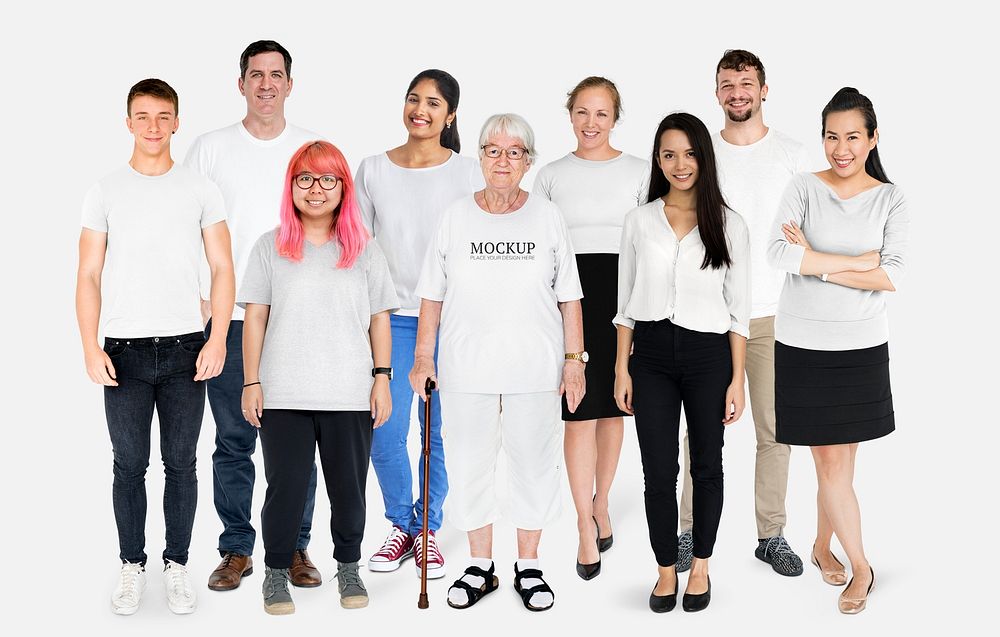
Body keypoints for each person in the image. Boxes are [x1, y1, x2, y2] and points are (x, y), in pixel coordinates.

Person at [410, 113, 585, 612]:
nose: (503, 160)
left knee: (533, 464)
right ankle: (480, 565)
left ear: (529, 161)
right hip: (466, 368)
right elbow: (431, 295)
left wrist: (574, 359)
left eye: (514, 152)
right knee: (468, 465)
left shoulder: (547, 215)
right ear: (480, 156)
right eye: (493, 150)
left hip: (536, 367)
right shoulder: (455, 216)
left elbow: (569, 296)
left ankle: (528, 565)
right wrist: (424, 356)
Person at [76, 78, 235, 615]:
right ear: (127, 122)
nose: (153, 127)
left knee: (182, 464)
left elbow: (221, 267)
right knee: (128, 464)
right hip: (123, 349)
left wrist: (216, 339)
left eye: (163, 116)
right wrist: (89, 345)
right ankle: (131, 564)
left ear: (176, 122)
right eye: (142, 116)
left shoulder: (199, 188)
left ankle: (176, 565)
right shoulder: (105, 190)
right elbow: (88, 274)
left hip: (187, 348)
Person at [185, 40, 324, 590]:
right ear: (239, 83)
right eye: (256, 74)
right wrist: (202, 299)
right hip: (232, 319)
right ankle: (237, 549)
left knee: (296, 444)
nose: (266, 84)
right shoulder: (210, 149)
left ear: (291, 84)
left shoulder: (311, 148)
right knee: (234, 440)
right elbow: (185, 224)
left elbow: (333, 229)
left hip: (298, 321)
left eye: (276, 75)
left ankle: (295, 548)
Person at [239, 141, 399, 614]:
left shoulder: (363, 248)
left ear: (343, 188)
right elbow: (254, 319)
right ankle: (274, 573)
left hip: (348, 392)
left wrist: (382, 377)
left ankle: (348, 568)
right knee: (285, 487)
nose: (316, 189)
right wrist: (251, 381)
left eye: (328, 179)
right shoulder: (270, 246)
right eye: (305, 178)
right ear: (291, 186)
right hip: (284, 392)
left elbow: (380, 319)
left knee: (347, 490)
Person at [767, 87, 907, 614]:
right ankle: (863, 568)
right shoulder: (803, 186)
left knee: (840, 464)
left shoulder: (890, 198)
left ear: (872, 139)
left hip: (860, 348)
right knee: (829, 461)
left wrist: (817, 260)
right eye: (831, 136)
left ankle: (823, 545)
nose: (840, 148)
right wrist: (855, 262)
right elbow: (778, 252)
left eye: (852, 136)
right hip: (802, 345)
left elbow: (892, 274)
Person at [677, 49, 811, 576]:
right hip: (711, 315)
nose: (738, 93)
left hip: (777, 314)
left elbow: (812, 228)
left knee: (774, 431)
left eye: (747, 83)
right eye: (728, 84)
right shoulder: (701, 153)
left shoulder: (794, 155)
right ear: (716, 93)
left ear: (764, 89)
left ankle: (771, 534)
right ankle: (688, 530)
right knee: (702, 429)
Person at [614, 112, 750, 613]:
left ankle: (703, 568)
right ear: (657, 159)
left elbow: (739, 312)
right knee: (657, 470)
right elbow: (625, 304)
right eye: (669, 154)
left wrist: (737, 380)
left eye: (690, 153)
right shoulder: (639, 221)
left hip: (709, 356)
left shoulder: (729, 224)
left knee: (707, 466)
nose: (680, 164)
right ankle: (665, 570)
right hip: (649, 356)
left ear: (704, 158)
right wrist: (620, 369)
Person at [355, 69, 482, 579]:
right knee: (384, 429)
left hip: (452, 322)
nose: (420, 110)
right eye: (413, 99)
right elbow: (359, 252)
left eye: (433, 103)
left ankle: (427, 528)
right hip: (391, 321)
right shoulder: (372, 170)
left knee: (436, 432)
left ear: (450, 115)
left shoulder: (469, 171)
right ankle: (400, 525)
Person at [533, 76, 646, 580]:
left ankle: (603, 502)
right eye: (582, 112)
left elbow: (653, 240)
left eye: (601, 113)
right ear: (570, 114)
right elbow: (538, 245)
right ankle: (583, 522)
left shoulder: (639, 171)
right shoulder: (552, 175)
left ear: (615, 118)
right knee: (577, 411)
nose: (591, 122)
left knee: (612, 407)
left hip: (624, 298)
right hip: (568, 300)